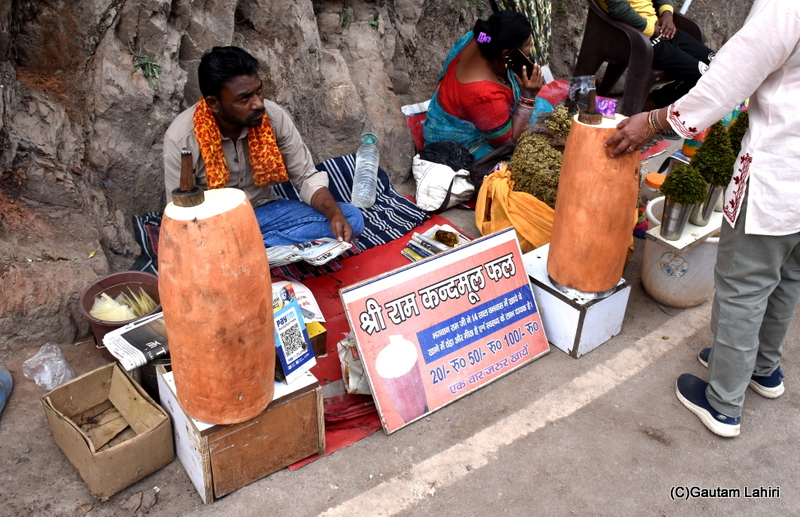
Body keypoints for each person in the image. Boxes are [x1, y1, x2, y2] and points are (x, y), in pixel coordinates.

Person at [606, 0, 800, 438]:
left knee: (743, 288)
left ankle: (723, 403)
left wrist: (657, 120)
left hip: (779, 173)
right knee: (787, 275)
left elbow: (729, 79)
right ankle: (762, 369)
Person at [163, 46, 364, 248]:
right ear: (214, 103)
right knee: (194, 246)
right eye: (244, 98)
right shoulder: (181, 139)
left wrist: (334, 213)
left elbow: (305, 178)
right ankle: (257, 249)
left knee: (350, 217)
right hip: (215, 226)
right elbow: (180, 212)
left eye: (259, 91)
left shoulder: (273, 117)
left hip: (266, 213)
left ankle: (247, 251)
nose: (258, 103)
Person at [422, 11, 545, 160]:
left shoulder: (483, 38)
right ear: (507, 54)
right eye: (528, 44)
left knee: (544, 112)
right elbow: (509, 143)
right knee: (524, 159)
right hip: (461, 140)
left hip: (468, 106)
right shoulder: (484, 95)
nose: (531, 46)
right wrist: (528, 96)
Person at [599, 0, 715, 107]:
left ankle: (660, 107)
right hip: (633, 35)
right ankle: (651, 103)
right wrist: (654, 30)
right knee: (701, 74)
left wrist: (667, 15)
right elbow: (618, 9)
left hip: (659, 29)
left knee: (715, 64)